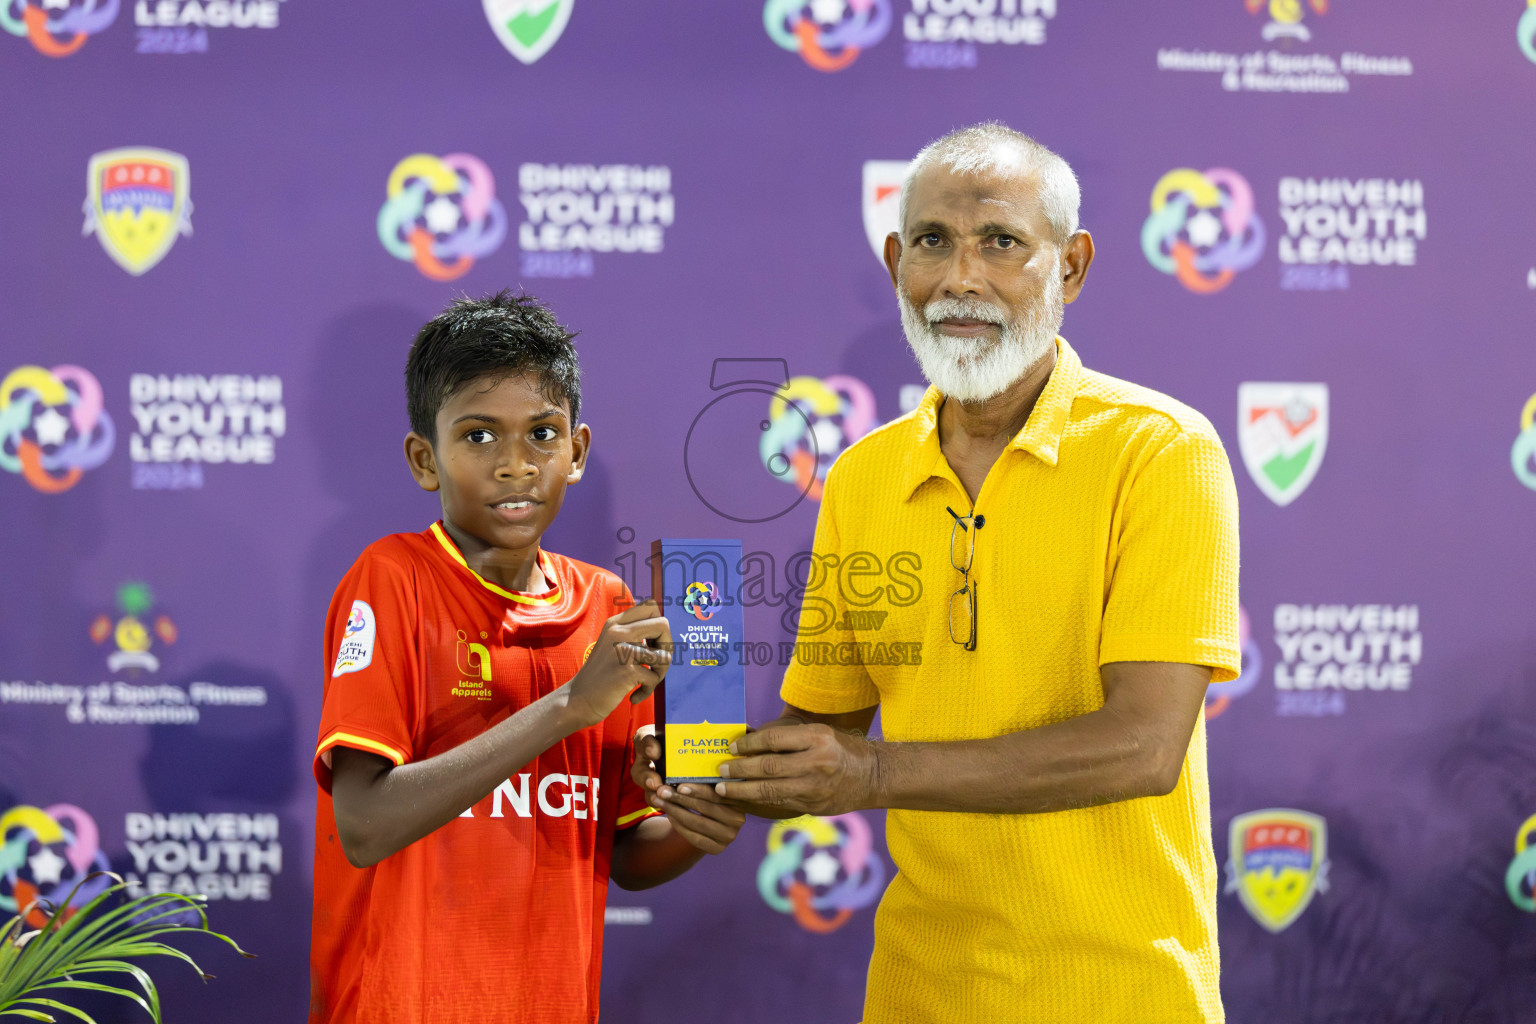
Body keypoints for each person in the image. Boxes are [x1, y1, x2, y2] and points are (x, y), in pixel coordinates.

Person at [638, 123, 1240, 1022]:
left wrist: (872, 776)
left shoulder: (1161, 452)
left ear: (1070, 268)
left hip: (1121, 992)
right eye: (932, 243)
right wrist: (710, 769)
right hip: (921, 993)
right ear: (895, 265)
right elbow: (826, 740)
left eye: (1001, 242)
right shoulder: (864, 476)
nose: (961, 278)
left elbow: (1143, 748)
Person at [310, 291, 744, 1024]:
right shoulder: (392, 579)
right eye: (479, 437)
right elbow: (365, 825)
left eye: (542, 434)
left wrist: (707, 814)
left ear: (574, 453)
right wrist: (572, 706)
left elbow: (630, 856)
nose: (516, 465)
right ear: (425, 459)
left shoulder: (609, 607)